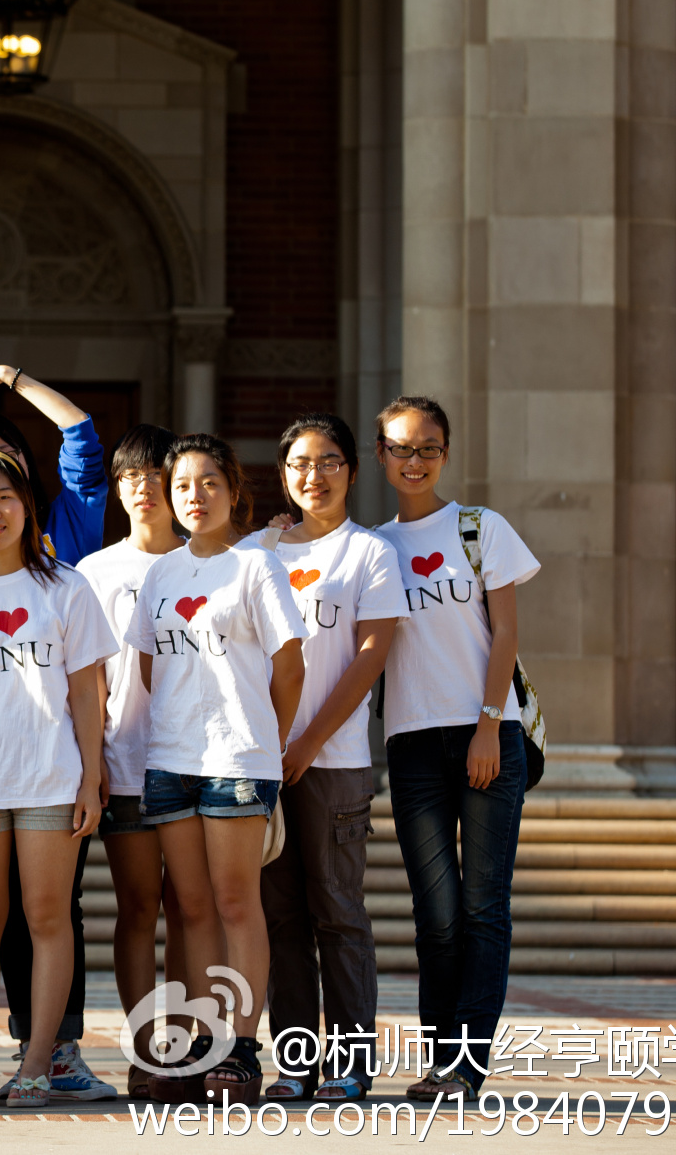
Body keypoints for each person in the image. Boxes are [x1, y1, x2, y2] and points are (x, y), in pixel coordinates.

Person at [0, 369, 113, 1096]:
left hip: (49, 777)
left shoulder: (67, 588)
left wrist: (93, 776)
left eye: (5, 498)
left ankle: (39, 1059)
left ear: (27, 502)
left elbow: (87, 691)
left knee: (47, 919)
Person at [128, 433, 306, 1104]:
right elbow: (150, 665)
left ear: (233, 490)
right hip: (171, 758)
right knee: (190, 904)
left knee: (236, 901)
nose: (194, 495)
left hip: (237, 758)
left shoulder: (256, 568)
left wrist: (268, 740)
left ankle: (242, 1046)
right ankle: (201, 1042)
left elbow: (290, 667)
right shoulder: (161, 574)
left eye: (208, 482)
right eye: (182, 485)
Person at [371, 396, 539, 1099]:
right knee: (433, 912)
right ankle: (441, 1055)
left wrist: (487, 722)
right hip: (410, 742)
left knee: (481, 906)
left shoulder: (480, 527)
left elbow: (505, 633)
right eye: (402, 447)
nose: (415, 460)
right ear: (381, 455)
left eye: (429, 447)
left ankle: (466, 1064)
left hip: (486, 733)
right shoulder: (370, 545)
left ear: (445, 453)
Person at [247, 414, 404, 1102]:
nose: (315, 475)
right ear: (284, 473)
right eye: (301, 463)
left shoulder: (368, 553)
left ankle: (349, 1062)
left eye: (330, 460)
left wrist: (309, 741)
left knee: (338, 909)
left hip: (333, 759)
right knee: (279, 918)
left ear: (353, 470)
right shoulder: (258, 549)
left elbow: (372, 653)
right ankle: (295, 1062)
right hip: (263, 760)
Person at [74, 424, 188, 1099]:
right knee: (139, 907)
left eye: (155, 474)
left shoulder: (213, 561)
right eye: (129, 476)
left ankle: (192, 1045)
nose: (142, 488)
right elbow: (87, 683)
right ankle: (148, 1048)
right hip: (125, 765)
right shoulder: (96, 571)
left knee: (193, 908)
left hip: (200, 767)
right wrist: (92, 766)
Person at [0, 364, 109, 565]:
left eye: (6, 454)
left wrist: (6, 375)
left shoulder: (68, 521)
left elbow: (79, 430)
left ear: (26, 457)